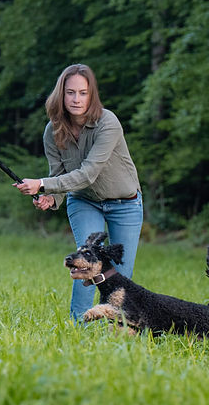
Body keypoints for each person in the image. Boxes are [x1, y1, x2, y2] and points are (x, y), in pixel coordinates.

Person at [15, 63, 143, 322]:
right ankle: (78, 327)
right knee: (83, 262)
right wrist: (52, 197)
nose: (76, 99)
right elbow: (59, 174)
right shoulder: (52, 130)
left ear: (91, 94)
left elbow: (87, 173)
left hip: (125, 203)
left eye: (83, 93)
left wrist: (42, 184)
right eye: (70, 92)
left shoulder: (108, 122)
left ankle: (119, 328)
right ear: (61, 95)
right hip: (84, 201)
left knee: (120, 274)